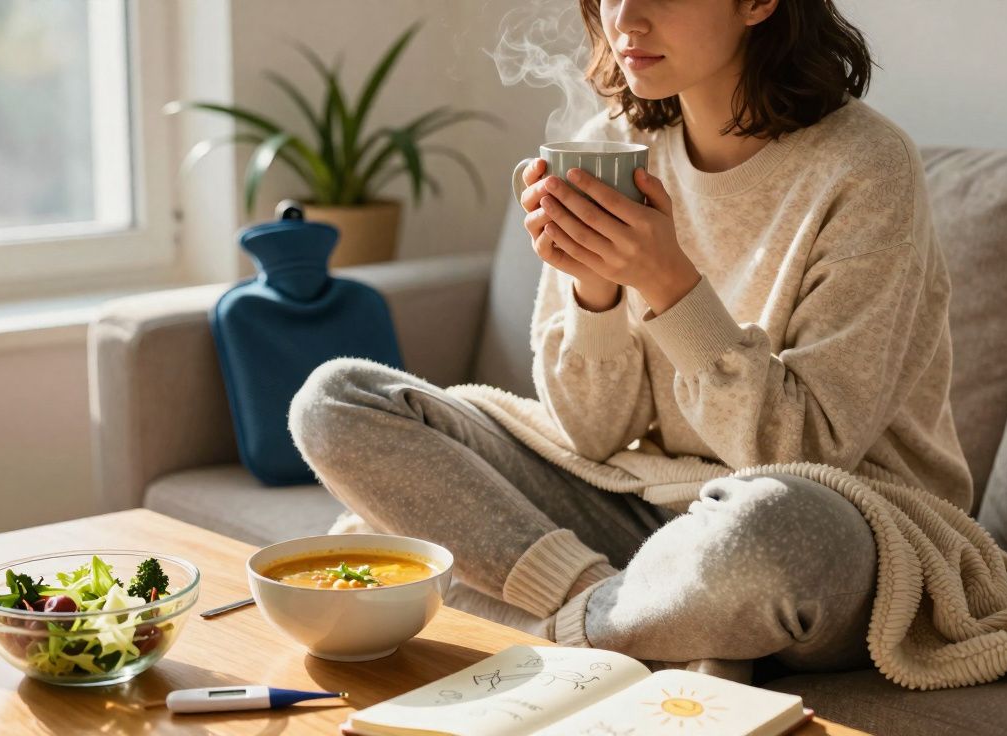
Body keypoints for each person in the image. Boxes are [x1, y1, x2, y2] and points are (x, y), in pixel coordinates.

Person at [288, 0, 971, 677]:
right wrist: (596, 291)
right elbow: (590, 435)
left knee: (772, 527)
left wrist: (667, 281)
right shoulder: (614, 143)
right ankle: (611, 609)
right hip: (643, 506)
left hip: (842, 527)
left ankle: (570, 619)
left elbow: (803, 453)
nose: (626, 19)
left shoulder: (867, 167)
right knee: (335, 400)